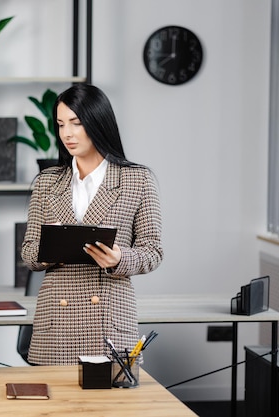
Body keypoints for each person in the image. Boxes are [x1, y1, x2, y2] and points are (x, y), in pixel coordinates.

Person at [21, 84, 163, 365]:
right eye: (61, 124)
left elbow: (153, 252)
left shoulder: (138, 180)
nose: (67, 134)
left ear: (98, 122)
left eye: (76, 122)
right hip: (56, 325)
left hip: (108, 320)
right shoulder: (46, 182)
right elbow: (28, 252)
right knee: (54, 408)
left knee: (109, 408)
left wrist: (119, 258)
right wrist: (51, 249)